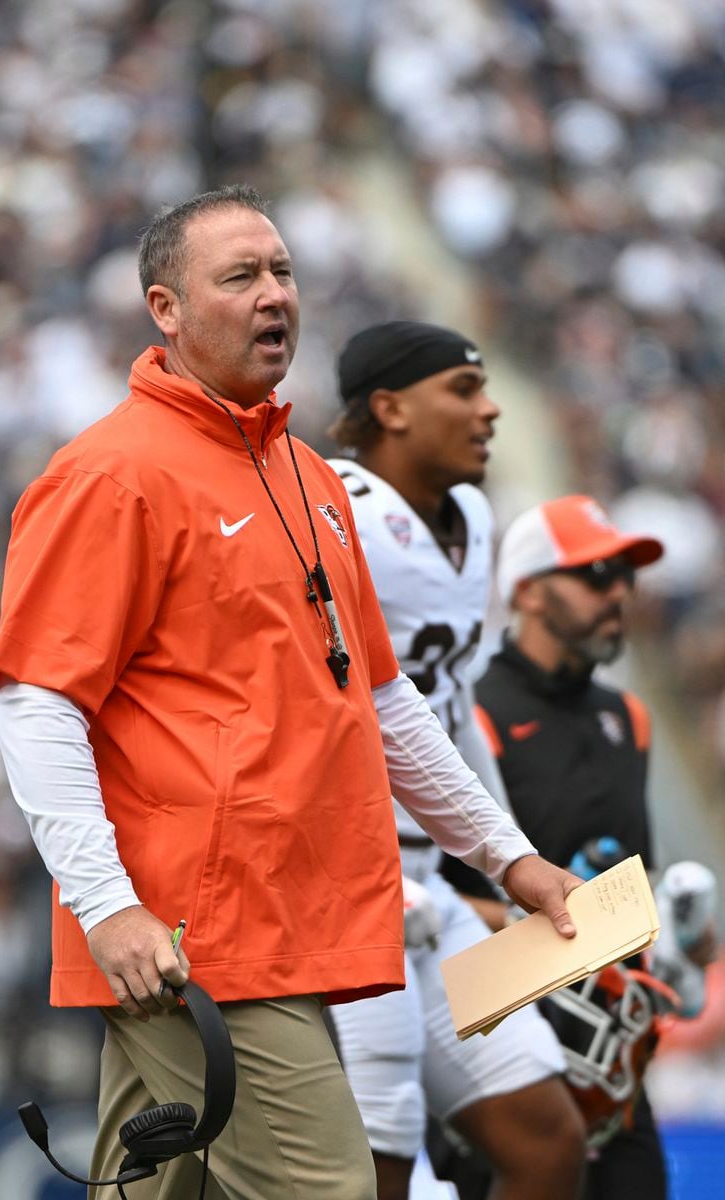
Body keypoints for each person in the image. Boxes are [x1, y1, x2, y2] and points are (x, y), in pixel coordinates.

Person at [0, 186, 581, 1200]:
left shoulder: (306, 477)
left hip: (277, 923)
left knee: (158, 1185)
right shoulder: (110, 475)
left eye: (283, 272)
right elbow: (37, 702)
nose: (274, 296)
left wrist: (508, 860)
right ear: (165, 311)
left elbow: (383, 708)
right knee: (328, 1190)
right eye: (240, 277)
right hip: (199, 935)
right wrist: (108, 906)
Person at [327, 321, 586, 1200]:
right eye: (464, 391)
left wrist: (498, 856)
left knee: (548, 1140)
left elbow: (448, 707)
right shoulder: (334, 510)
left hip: (430, 879)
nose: (491, 408)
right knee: (379, 1159)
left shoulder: (471, 516)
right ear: (390, 408)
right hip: (338, 883)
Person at [472, 494, 670, 1199]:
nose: (617, 591)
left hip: (617, 1074)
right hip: (506, 1072)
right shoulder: (471, 715)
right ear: (526, 589)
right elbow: (440, 907)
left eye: (624, 575)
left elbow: (639, 891)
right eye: (594, 575)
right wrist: (573, 937)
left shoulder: (631, 717)